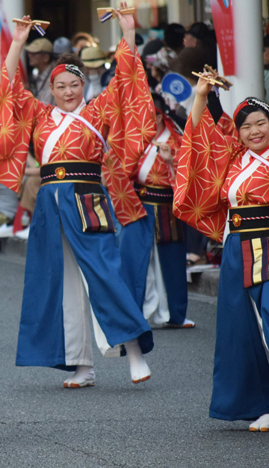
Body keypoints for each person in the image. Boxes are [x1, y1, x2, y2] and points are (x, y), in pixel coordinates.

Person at [0, 9, 156, 389]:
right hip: (50, 201)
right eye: (61, 86)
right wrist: (17, 40)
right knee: (59, 278)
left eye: (74, 84)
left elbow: (127, 79)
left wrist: (129, 30)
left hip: (86, 198)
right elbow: (9, 88)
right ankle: (80, 362)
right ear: (51, 89)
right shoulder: (40, 115)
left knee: (103, 272)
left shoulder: (99, 109)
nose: (68, 92)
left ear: (83, 85)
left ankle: (133, 349)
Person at [174, 67, 269, 431]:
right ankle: (262, 404)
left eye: (261, 122)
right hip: (238, 246)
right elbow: (202, 137)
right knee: (243, 327)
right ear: (238, 133)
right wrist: (202, 95)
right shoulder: (233, 157)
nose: (254, 131)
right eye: (246, 126)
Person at [104, 93, 194, 329]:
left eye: (148, 115)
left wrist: (170, 162)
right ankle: (134, 313)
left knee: (171, 261)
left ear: (159, 114)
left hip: (167, 205)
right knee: (134, 260)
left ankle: (175, 314)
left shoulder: (177, 139)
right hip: (138, 204)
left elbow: (189, 175)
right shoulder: (134, 139)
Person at [25, 38, 55, 106]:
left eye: (34, 54)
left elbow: (46, 105)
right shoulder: (36, 73)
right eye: (29, 53)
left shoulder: (53, 77)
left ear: (46, 58)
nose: (30, 56)